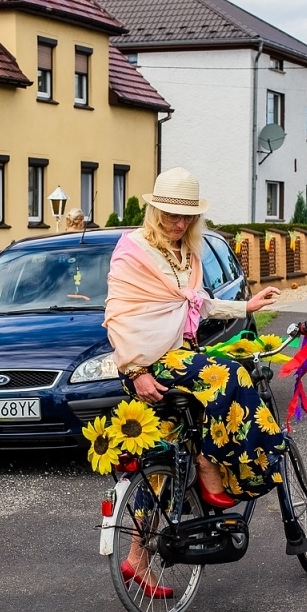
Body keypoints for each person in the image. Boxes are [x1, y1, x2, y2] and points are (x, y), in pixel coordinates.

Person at [104, 169, 287, 587]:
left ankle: (137, 557)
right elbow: (117, 317)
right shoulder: (133, 251)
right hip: (150, 365)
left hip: (178, 357)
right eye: (171, 214)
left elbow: (196, 304)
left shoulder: (187, 253)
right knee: (232, 376)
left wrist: (245, 307)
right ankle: (211, 463)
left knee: (160, 464)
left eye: (186, 217)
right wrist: (136, 373)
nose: (179, 223)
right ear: (155, 210)